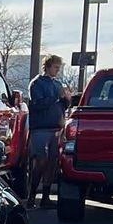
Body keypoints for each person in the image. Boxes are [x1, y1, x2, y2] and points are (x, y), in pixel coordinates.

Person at [27, 55, 72, 209]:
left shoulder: (58, 83)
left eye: (59, 67)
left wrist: (67, 99)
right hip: (41, 129)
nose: (57, 70)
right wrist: (56, 97)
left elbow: (63, 107)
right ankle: (31, 196)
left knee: (52, 163)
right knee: (40, 161)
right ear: (47, 66)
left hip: (56, 129)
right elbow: (37, 104)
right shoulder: (37, 83)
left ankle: (45, 197)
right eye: (55, 67)